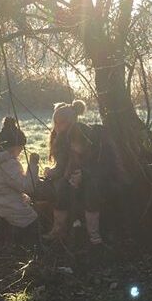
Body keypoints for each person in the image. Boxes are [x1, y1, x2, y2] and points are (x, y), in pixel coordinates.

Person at [41, 100, 111, 245]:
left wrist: (83, 174)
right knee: (61, 188)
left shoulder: (84, 134)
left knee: (91, 191)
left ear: (70, 121)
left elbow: (96, 162)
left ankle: (94, 234)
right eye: (56, 123)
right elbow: (61, 166)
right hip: (70, 176)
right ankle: (58, 230)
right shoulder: (60, 137)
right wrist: (52, 172)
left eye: (61, 123)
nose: (57, 126)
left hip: (91, 175)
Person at [0, 117, 40, 242]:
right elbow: (27, 187)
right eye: (20, 148)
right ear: (13, 147)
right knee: (33, 219)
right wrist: (33, 165)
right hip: (13, 206)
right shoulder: (9, 164)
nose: (21, 152)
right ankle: (28, 242)